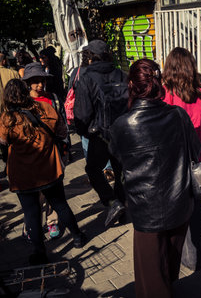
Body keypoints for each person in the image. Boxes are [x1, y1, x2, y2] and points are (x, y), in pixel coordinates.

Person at [109, 59, 200, 298]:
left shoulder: (121, 125)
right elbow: (195, 150)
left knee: (152, 279)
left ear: (131, 85)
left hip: (145, 210)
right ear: (159, 84)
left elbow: (118, 160)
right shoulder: (178, 115)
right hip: (179, 202)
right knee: (168, 267)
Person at [0, 79, 86, 265]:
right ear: (26, 91)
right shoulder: (45, 109)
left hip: (22, 174)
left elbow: (3, 142)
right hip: (49, 168)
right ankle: (78, 237)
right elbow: (63, 133)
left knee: (31, 213)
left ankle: (39, 252)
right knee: (60, 204)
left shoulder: (7, 119)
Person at [162, 47, 201, 271]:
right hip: (200, 158)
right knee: (196, 209)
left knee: (176, 210)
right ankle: (194, 255)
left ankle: (179, 253)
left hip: (174, 162)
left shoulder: (164, 94)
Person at [73, 40, 127, 228]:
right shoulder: (121, 74)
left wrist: (84, 132)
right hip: (123, 133)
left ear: (91, 57)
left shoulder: (87, 78)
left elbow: (82, 113)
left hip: (100, 135)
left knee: (93, 169)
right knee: (121, 172)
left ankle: (113, 202)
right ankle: (121, 206)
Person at [22, 62, 65, 239]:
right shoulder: (22, 103)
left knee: (53, 193)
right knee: (34, 195)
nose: (40, 85)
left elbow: (62, 127)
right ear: (28, 83)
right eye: (35, 81)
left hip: (52, 153)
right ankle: (31, 225)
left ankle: (52, 222)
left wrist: (64, 149)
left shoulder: (53, 99)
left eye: (42, 81)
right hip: (30, 156)